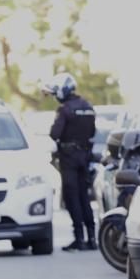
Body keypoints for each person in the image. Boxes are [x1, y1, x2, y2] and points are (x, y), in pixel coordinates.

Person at [45, 72, 97, 252]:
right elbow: (92, 133)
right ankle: (92, 237)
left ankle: (79, 238)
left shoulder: (65, 110)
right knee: (85, 197)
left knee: (72, 197)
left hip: (69, 159)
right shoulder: (88, 107)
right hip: (85, 157)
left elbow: (54, 134)